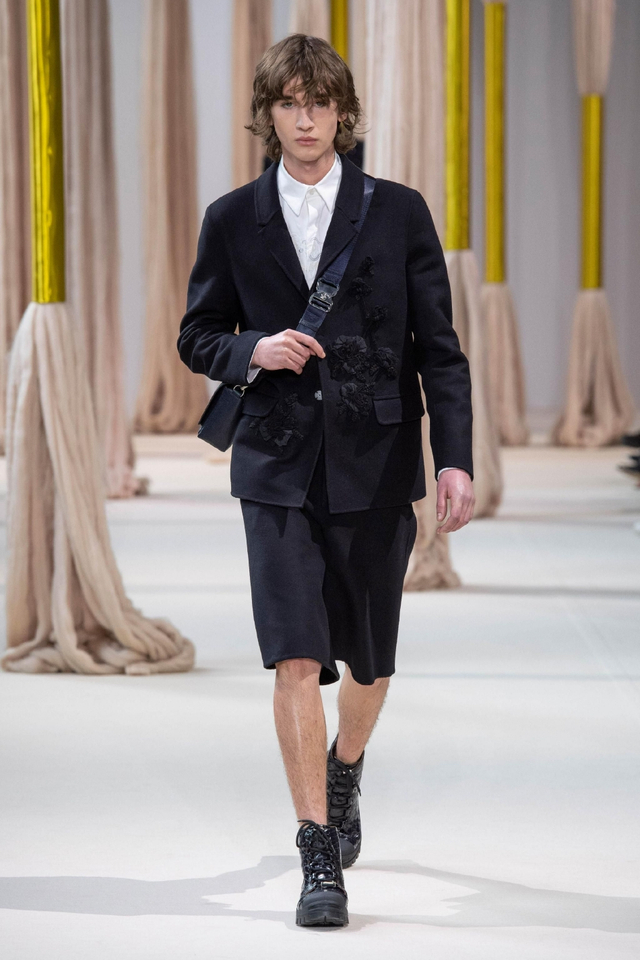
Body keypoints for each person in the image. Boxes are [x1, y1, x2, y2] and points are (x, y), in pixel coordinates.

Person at [177, 34, 475, 928]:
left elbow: (440, 350)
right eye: (288, 102)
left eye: (319, 102)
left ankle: (344, 769)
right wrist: (252, 348)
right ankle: (317, 854)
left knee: (370, 661)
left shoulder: (399, 212)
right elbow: (196, 335)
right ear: (267, 115)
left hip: (376, 461)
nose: (304, 118)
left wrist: (454, 457)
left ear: (342, 111)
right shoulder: (233, 218)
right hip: (274, 463)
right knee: (296, 656)